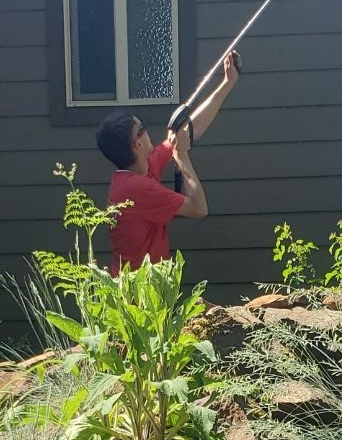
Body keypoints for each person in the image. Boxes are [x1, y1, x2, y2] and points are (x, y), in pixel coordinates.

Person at [96, 53, 239, 274]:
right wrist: (181, 156)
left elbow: (186, 134)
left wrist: (227, 83)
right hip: (139, 297)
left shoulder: (136, 172)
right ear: (138, 144)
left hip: (141, 289)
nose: (147, 130)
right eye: (141, 129)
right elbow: (199, 208)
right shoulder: (138, 189)